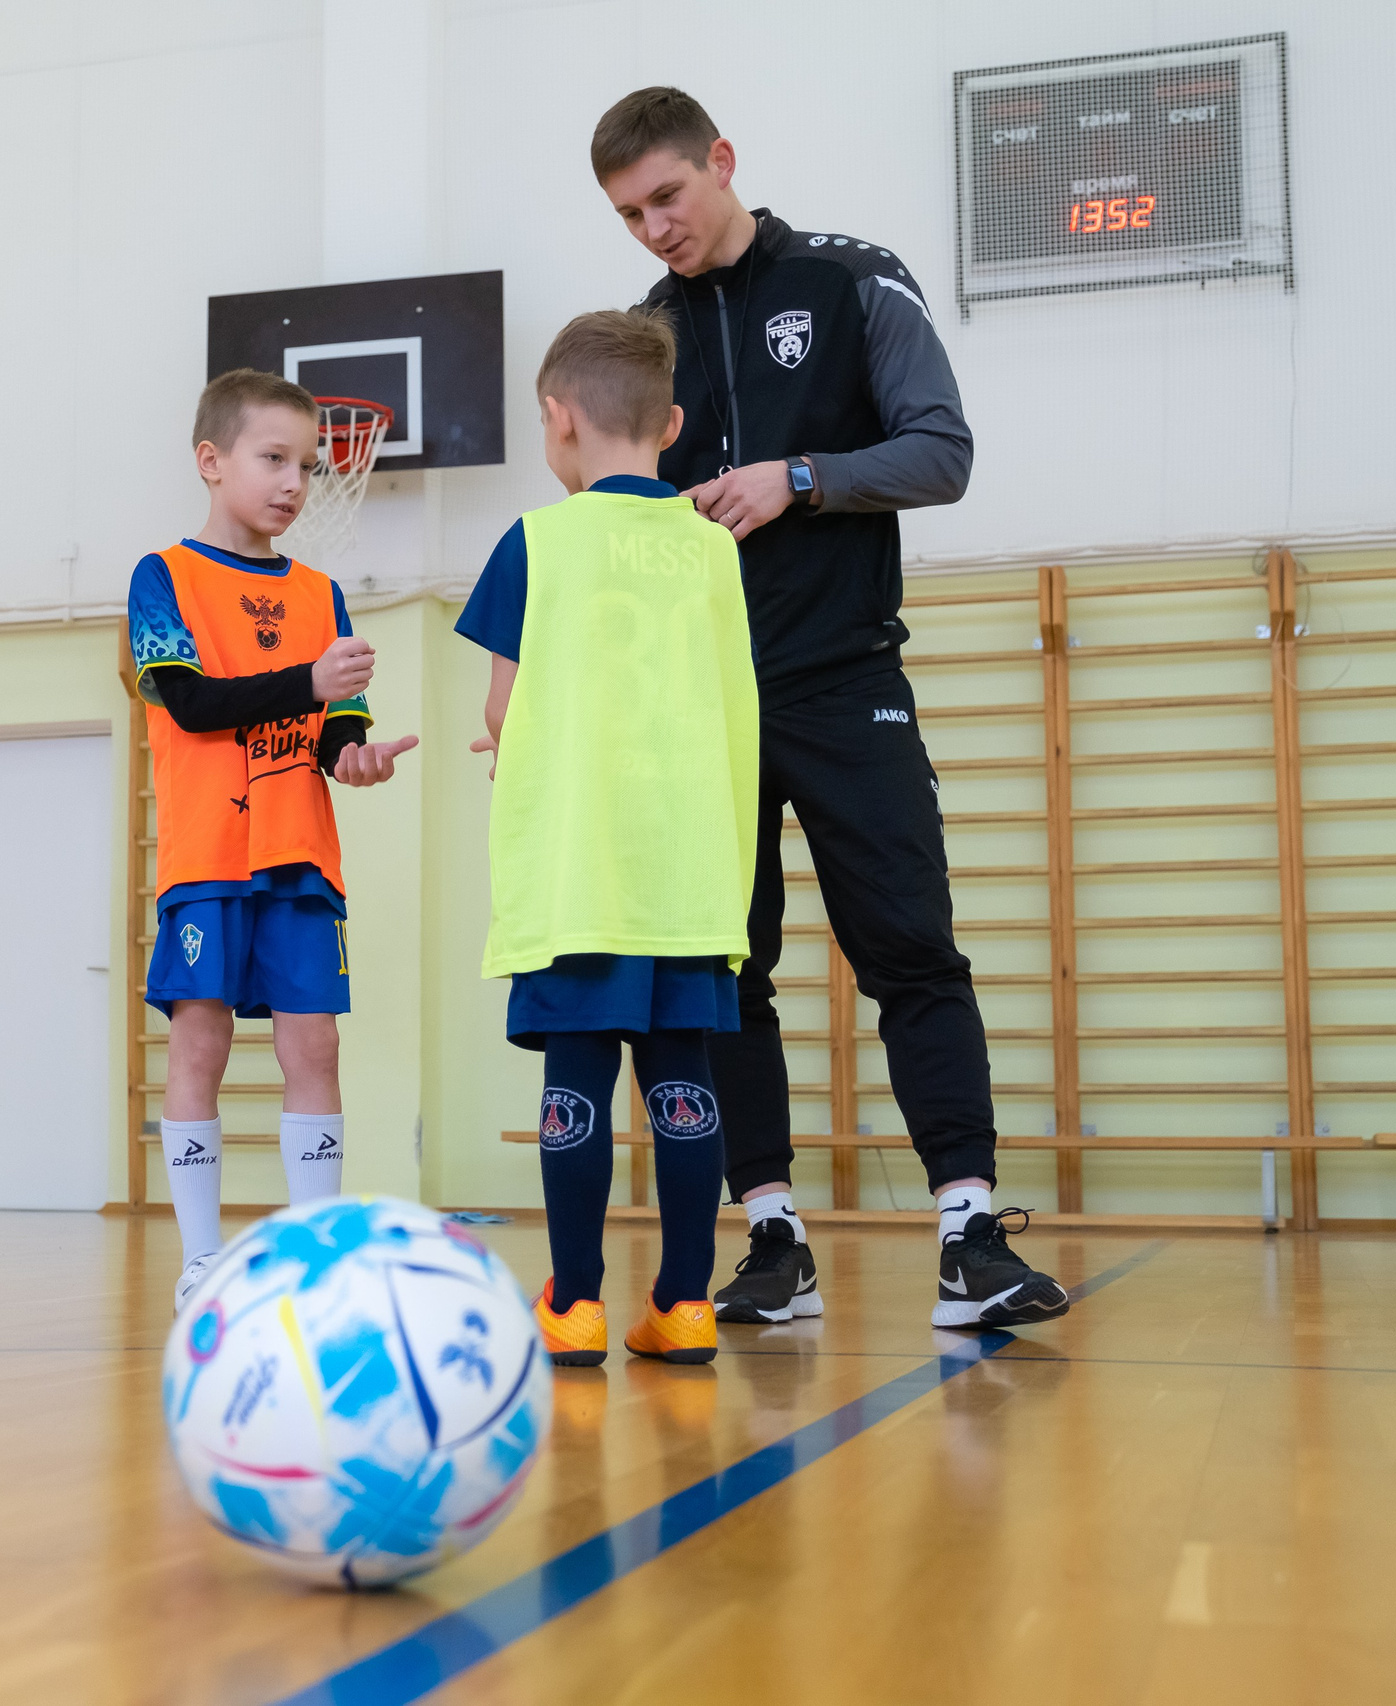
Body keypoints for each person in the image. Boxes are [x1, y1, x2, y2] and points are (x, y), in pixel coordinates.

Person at [591, 86, 1069, 1330]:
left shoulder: (852, 280)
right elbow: (608, 522)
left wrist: (794, 478)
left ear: (720, 161)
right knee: (725, 971)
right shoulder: (642, 340)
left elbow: (940, 451)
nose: (653, 227)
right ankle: (772, 1238)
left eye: (666, 196)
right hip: (700, 707)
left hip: (845, 679)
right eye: (629, 214)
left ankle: (967, 1233)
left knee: (909, 948)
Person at [456, 309, 759, 1367]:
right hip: (688, 872)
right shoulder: (714, 550)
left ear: (558, 419)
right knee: (683, 1084)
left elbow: (504, 707)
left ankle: (576, 1302)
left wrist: (513, 736)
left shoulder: (535, 541)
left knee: (576, 1080)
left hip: (579, 872)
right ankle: (684, 1303)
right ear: (670, 426)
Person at [129, 369, 419, 1313]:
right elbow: (191, 703)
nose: (295, 482)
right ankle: (202, 1259)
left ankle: (316, 1252)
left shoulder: (323, 596)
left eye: (308, 465)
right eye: (274, 459)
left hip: (301, 859)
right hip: (208, 858)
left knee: (315, 1047)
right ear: (211, 461)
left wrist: (357, 758)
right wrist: (308, 684)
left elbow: (335, 733)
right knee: (199, 1046)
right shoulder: (163, 577)